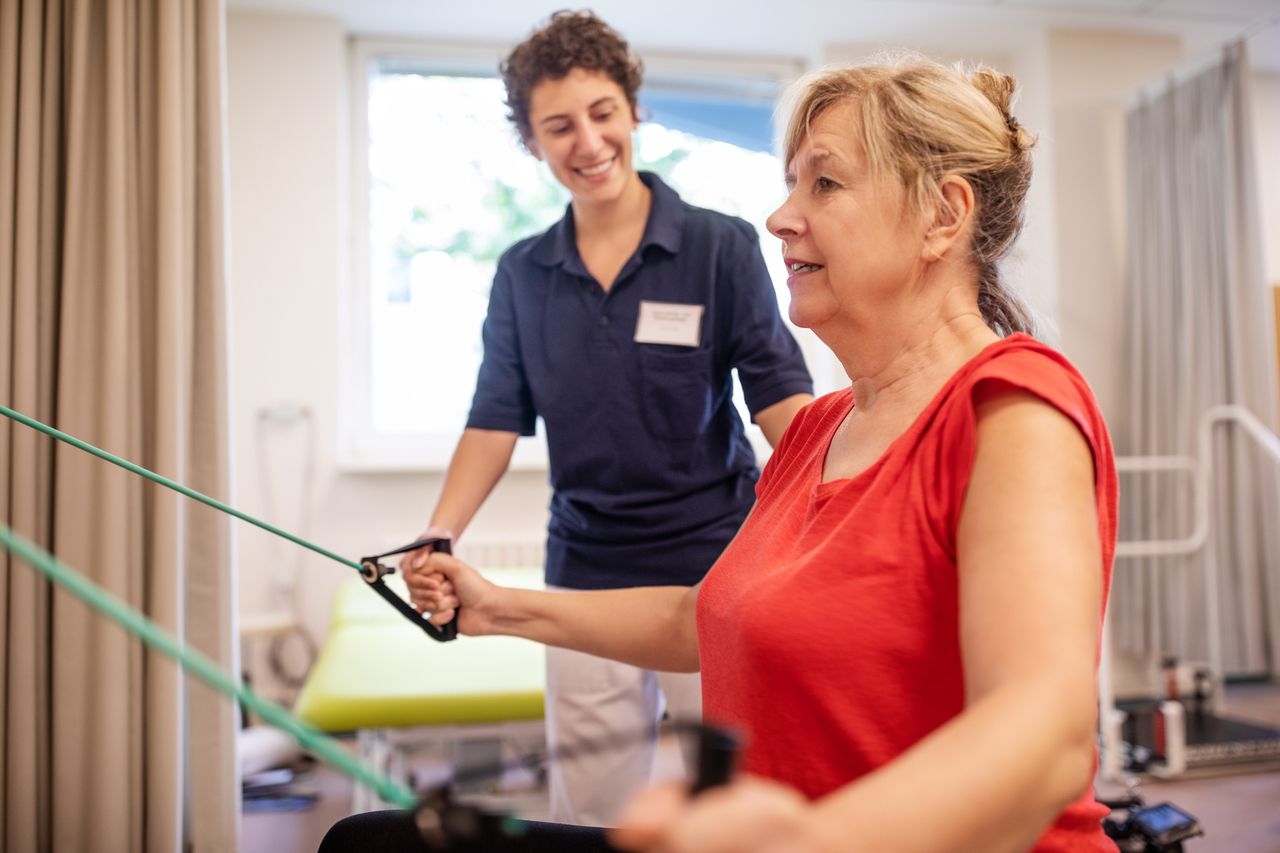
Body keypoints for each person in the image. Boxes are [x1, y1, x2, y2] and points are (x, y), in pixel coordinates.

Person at [404, 53, 1120, 852]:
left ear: (941, 217)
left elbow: (1045, 740)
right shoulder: (816, 434)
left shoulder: (1012, 408)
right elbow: (701, 617)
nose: (780, 217)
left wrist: (808, 839)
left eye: (825, 182)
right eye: (790, 184)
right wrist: (493, 606)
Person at [401, 9, 814, 828]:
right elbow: (494, 417)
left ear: (634, 109)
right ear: (532, 143)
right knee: (588, 816)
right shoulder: (523, 273)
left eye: (603, 113)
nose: (588, 143)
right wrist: (439, 532)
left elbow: (778, 395)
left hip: (716, 568)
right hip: (586, 571)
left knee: (730, 807)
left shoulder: (720, 246)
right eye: (559, 126)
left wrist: (843, 499)